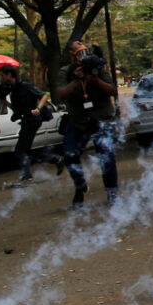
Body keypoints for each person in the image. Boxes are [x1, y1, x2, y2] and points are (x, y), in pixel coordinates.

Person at [55, 38, 119, 207]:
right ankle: (80, 184)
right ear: (71, 55)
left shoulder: (97, 66)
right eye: (77, 51)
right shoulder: (66, 71)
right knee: (69, 154)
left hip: (100, 117)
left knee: (106, 156)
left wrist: (95, 79)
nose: (82, 54)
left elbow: (112, 90)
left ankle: (112, 191)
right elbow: (61, 94)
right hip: (78, 119)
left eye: (84, 50)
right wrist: (76, 80)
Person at [0, 65, 63, 183]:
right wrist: (5, 102)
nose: (2, 78)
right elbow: (17, 108)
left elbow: (44, 95)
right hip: (26, 119)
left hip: (33, 119)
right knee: (24, 149)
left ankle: (27, 176)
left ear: (9, 74)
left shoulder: (25, 86)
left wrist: (38, 108)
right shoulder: (13, 89)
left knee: (20, 149)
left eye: (2, 75)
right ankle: (54, 159)